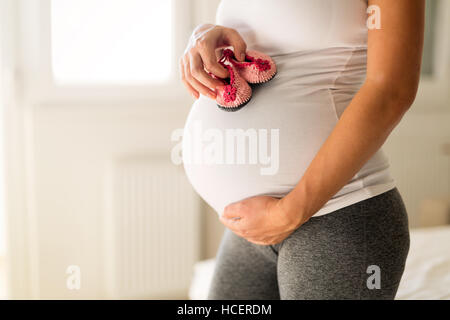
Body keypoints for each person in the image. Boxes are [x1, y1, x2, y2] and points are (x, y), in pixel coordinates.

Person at [180, 0, 425, 299]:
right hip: (251, 225)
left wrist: (289, 213)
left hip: (340, 213)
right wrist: (204, 35)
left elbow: (391, 90)